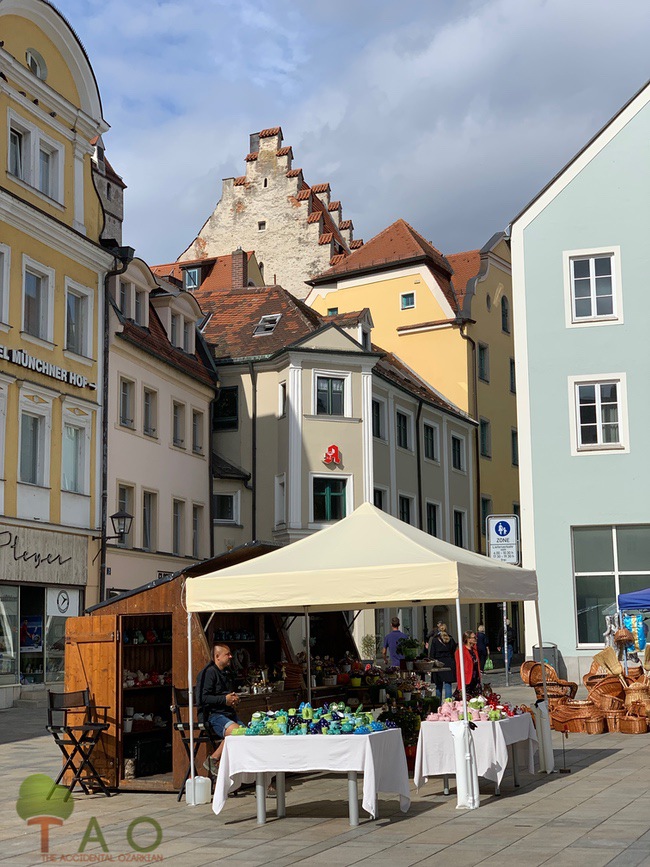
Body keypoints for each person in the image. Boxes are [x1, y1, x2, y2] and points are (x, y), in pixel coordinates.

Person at [195, 643, 243, 775]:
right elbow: (201, 699)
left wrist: (233, 698)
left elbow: (225, 694)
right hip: (212, 715)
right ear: (217, 656)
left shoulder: (226, 673)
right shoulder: (208, 673)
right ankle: (214, 758)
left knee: (248, 734)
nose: (231, 656)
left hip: (228, 713)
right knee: (236, 732)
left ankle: (223, 767)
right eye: (227, 654)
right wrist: (224, 700)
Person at [429, 624, 456, 699]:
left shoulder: (435, 640)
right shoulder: (450, 639)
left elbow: (432, 653)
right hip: (449, 662)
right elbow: (454, 650)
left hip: (439, 663)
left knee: (438, 685)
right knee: (448, 684)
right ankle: (448, 704)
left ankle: (438, 703)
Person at [455, 630, 481, 696]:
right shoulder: (460, 651)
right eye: (473, 637)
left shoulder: (474, 650)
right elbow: (458, 668)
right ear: (468, 639)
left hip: (475, 679)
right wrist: (460, 686)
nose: (475, 639)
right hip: (467, 680)